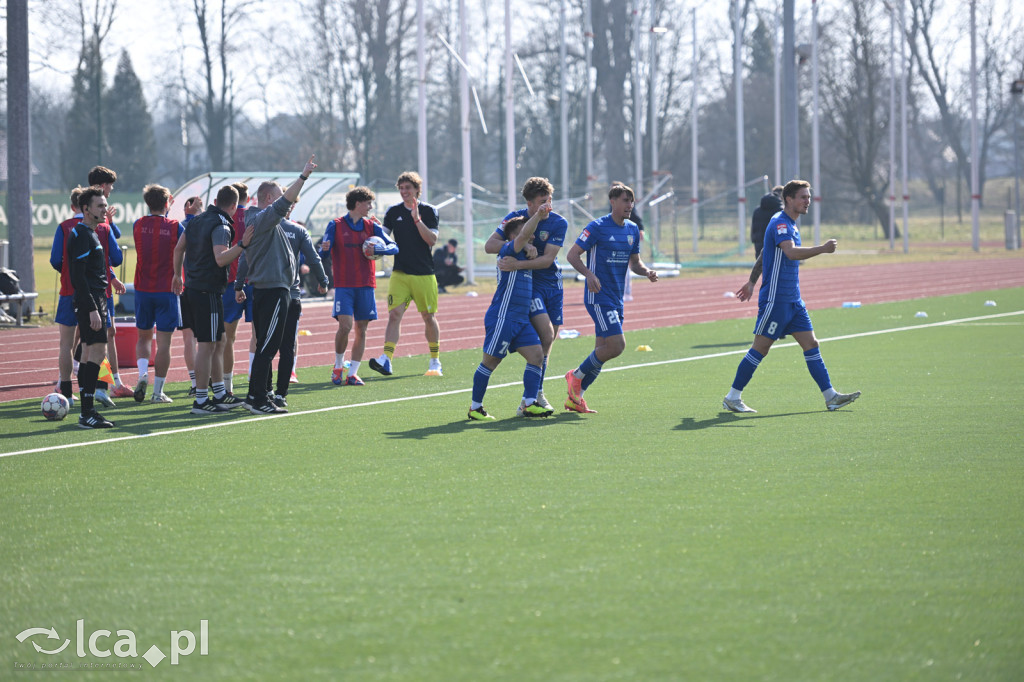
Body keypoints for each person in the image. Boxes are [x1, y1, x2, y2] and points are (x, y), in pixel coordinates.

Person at [723, 179, 861, 413]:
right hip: (776, 300)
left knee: (811, 344)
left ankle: (831, 396)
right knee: (761, 348)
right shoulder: (780, 223)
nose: (808, 201)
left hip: (793, 300)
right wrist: (822, 249)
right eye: (803, 197)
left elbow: (766, 253)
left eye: (808, 197)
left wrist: (751, 280)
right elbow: (790, 253)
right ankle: (732, 397)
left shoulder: (791, 225)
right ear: (789, 199)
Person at [564, 183, 659, 413]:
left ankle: (576, 399)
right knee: (617, 345)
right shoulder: (597, 227)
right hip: (598, 296)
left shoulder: (632, 229)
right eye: (625, 200)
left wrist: (646, 271)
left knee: (603, 350)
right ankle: (574, 376)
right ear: (613, 201)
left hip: (617, 298)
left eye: (631, 201)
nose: (629, 205)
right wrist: (588, 275)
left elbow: (635, 263)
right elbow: (572, 255)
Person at [235, 156, 318, 414]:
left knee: (266, 346)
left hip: (268, 290)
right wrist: (303, 176)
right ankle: (257, 399)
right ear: (269, 200)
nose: (288, 200)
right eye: (280, 196)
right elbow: (285, 201)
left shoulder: (261, 220)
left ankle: (258, 395)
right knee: (268, 347)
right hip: (271, 291)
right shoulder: (263, 219)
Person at [485, 177, 568, 412]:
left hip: (553, 285)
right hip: (531, 287)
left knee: (548, 342)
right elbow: (490, 246)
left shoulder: (558, 223)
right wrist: (516, 247)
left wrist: (517, 263)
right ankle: (533, 396)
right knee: (546, 334)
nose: (547, 206)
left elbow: (548, 260)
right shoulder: (516, 219)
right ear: (529, 204)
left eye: (549, 200)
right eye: (542, 201)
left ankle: (531, 396)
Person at [467, 211, 554, 421]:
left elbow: (526, 238)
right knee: (490, 362)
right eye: (528, 233)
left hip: (521, 319)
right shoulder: (509, 250)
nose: (533, 236)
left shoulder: (524, 252)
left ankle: (530, 403)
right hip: (503, 317)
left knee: (536, 356)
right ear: (515, 236)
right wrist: (539, 216)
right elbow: (524, 236)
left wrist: (527, 245)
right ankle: (475, 407)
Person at [172, 184, 250, 415]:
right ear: (234, 206)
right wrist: (242, 244)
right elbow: (220, 259)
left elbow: (178, 249)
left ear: (216, 200)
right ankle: (201, 399)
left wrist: (178, 275)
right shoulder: (222, 225)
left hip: (193, 289)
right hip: (208, 291)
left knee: (219, 341)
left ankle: (219, 393)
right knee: (207, 345)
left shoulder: (195, 221)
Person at [319, 186, 398, 386]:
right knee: (345, 326)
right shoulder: (335, 225)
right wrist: (324, 251)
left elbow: (394, 246)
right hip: (344, 286)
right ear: (357, 204)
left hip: (366, 285)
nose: (371, 207)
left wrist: (380, 248)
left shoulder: (372, 227)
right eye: (368, 203)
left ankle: (352, 373)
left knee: (361, 329)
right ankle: (338, 366)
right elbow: (323, 253)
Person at [369, 171, 443, 377]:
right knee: (394, 315)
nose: (404, 192)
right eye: (401, 188)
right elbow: (384, 238)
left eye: (408, 188)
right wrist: (376, 230)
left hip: (424, 274)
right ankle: (386, 360)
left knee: (428, 317)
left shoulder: (429, 211)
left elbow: (432, 240)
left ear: (417, 190)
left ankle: (435, 360)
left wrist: (417, 220)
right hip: (400, 273)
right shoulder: (393, 212)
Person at [67, 187, 117, 428]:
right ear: (86, 209)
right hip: (91, 300)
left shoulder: (92, 232)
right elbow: (78, 277)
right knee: (98, 351)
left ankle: (87, 411)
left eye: (105, 205)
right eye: (100, 205)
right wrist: (92, 308)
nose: (104, 209)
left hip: (97, 299)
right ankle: (87, 412)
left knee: (89, 352)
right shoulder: (82, 235)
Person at [131, 184, 183, 404]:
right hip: (167, 289)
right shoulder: (175, 227)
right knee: (164, 344)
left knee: (143, 338)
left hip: (143, 288)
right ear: (167, 202)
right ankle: (157, 391)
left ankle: (143, 374)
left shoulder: (137, 224)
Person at [88, 165, 134, 400]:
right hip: (96, 286)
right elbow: (111, 253)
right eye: (110, 186)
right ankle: (96, 384)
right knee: (93, 338)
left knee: (105, 334)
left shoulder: (96, 215)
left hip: (100, 282)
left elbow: (110, 240)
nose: (111, 191)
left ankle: (108, 382)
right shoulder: (92, 219)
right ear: (102, 186)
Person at [222, 182, 250, 397]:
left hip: (230, 282)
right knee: (260, 335)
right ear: (247, 199)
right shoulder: (254, 217)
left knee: (227, 338)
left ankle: (226, 387)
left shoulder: (224, 218)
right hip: (254, 282)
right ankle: (257, 382)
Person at [179, 196, 202, 396]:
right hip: (201, 287)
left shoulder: (181, 226)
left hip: (184, 287)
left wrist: (188, 215)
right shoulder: (204, 224)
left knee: (189, 339)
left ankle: (196, 383)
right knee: (206, 339)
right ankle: (206, 381)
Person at [750, 185, 784, 258]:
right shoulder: (781, 211)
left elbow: (753, 229)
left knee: (761, 268)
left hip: (759, 245)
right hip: (775, 245)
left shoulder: (757, 210)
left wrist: (755, 241)